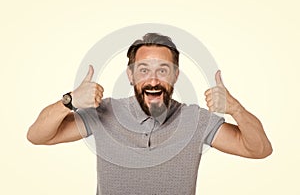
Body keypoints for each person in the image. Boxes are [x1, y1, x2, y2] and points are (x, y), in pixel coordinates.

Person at [27, 33, 272, 195]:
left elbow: (259, 150)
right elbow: (38, 136)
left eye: (163, 70)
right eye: (143, 70)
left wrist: (235, 108)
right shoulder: (105, 112)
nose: (153, 79)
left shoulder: (196, 120)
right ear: (130, 76)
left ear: (176, 76)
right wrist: (69, 101)